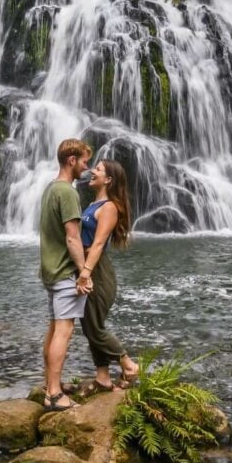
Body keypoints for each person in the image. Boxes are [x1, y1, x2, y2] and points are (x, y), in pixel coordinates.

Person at [39, 138, 93, 411]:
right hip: (63, 271)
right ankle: (55, 394)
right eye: (84, 161)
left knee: (53, 327)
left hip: (49, 268)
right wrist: (84, 272)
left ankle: (48, 386)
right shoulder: (69, 193)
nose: (87, 167)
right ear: (71, 160)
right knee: (64, 330)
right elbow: (72, 238)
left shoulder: (50, 189)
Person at [78, 159, 139, 392]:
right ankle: (102, 377)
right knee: (90, 326)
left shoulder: (110, 207)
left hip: (98, 271)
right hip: (90, 267)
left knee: (94, 328)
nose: (92, 171)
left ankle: (129, 364)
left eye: (98, 169)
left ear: (108, 179)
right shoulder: (95, 203)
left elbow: (99, 242)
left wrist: (85, 272)